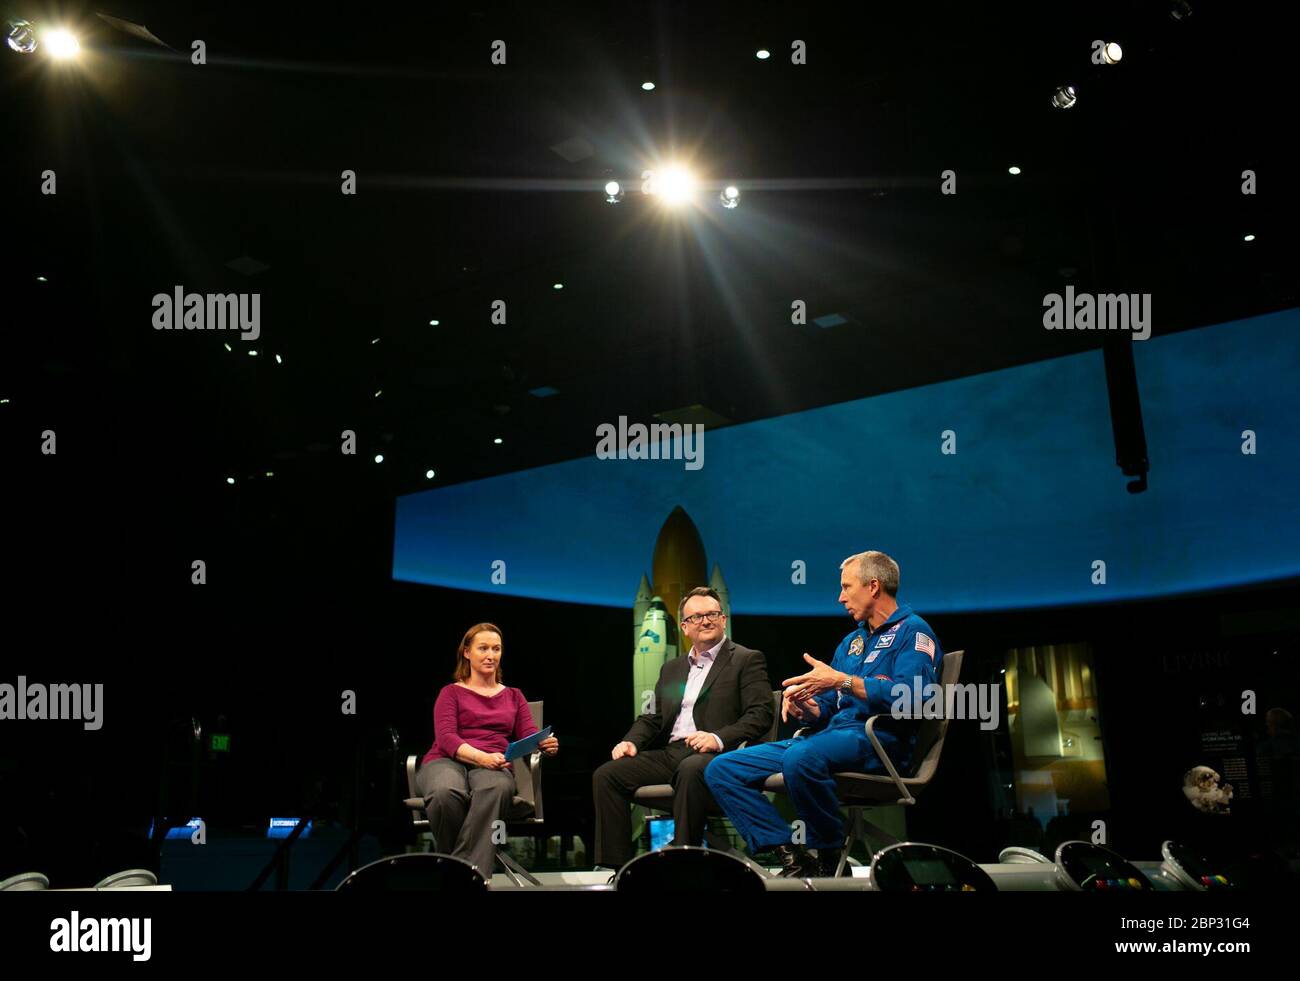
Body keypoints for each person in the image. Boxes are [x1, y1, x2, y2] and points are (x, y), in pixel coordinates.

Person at [705, 551, 944, 877]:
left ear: (873, 586)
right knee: (722, 768)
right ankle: (790, 854)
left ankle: (830, 856)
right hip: (831, 737)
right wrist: (810, 707)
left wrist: (842, 681)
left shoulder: (913, 633)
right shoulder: (852, 642)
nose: (840, 597)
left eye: (847, 587)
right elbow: (831, 706)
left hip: (881, 742)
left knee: (800, 758)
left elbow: (914, 699)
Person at [592, 586, 774, 869]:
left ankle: (683, 864)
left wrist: (717, 737)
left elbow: (761, 714)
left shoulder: (746, 659)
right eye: (698, 616)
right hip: (672, 754)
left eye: (712, 614)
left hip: (719, 755)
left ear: (723, 619)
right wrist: (632, 742)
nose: (706, 621)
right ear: (685, 626)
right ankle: (619, 868)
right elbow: (652, 717)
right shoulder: (672, 669)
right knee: (607, 775)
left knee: (691, 770)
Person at [415, 623, 558, 878]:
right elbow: (446, 737)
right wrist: (481, 757)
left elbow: (529, 736)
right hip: (447, 759)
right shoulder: (450, 693)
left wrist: (544, 744)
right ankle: (469, 874)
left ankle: (458, 875)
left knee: (497, 787)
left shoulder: (514, 695)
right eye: (483, 648)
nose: (491, 655)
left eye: (496, 648)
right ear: (467, 652)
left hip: (495, 761)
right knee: (445, 791)